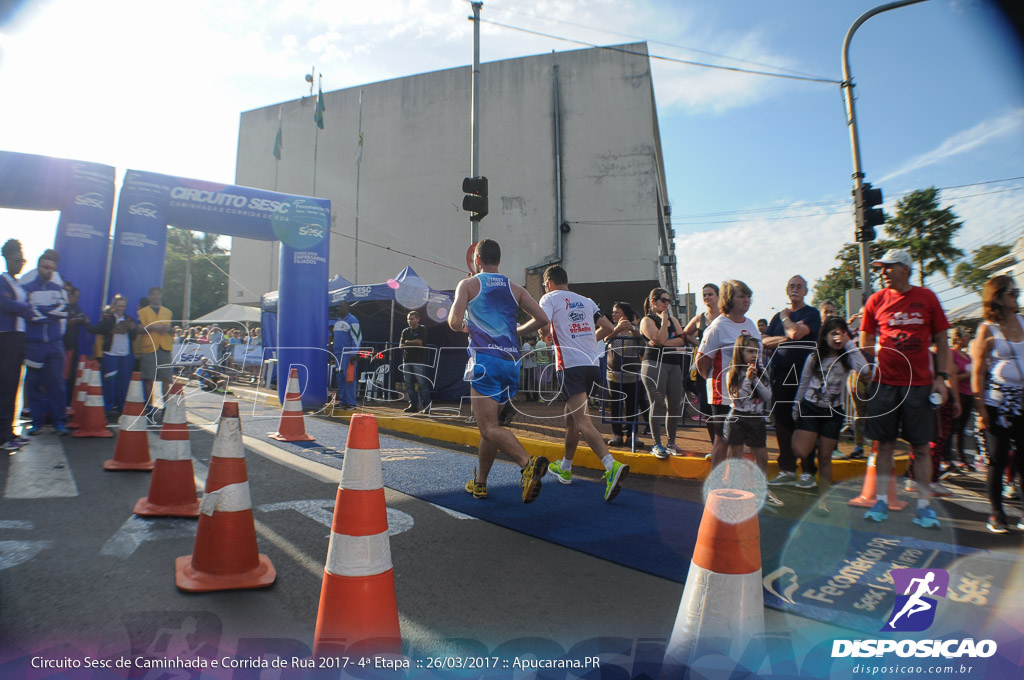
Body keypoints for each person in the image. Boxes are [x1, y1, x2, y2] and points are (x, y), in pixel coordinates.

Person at [448, 239, 549, 504]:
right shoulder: (514, 288)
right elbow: (542, 319)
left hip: (486, 362)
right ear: (499, 261)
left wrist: (467, 325)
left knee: (488, 427)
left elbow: (454, 322)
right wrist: (514, 331)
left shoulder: (468, 284)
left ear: (476, 260)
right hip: (511, 362)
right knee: (493, 425)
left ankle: (528, 464)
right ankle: (480, 482)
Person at [859, 249, 950, 529]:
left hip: (920, 385)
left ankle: (923, 507)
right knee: (884, 446)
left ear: (905, 268)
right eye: (882, 268)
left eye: (889, 267)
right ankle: (882, 502)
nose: (884, 272)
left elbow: (942, 341)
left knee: (922, 447)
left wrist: (942, 377)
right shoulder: (876, 300)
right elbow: (865, 340)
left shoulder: (927, 297)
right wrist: (869, 369)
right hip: (885, 384)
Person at [539, 265, 630, 502]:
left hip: (570, 365)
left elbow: (542, 325)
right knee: (571, 420)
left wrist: (543, 334)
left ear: (549, 283)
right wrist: (587, 339)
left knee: (582, 421)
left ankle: (611, 466)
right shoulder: (586, 301)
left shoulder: (549, 298)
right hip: (591, 365)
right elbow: (609, 328)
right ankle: (566, 467)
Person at [791, 317, 868, 515]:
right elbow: (804, 382)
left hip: (833, 411)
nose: (837, 336)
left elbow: (865, 370)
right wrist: (796, 407)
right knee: (801, 451)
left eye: (841, 332)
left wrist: (850, 342)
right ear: (824, 336)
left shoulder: (847, 357)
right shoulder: (814, 357)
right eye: (833, 332)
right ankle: (808, 451)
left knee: (825, 458)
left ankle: (823, 501)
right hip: (811, 407)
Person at [971, 275, 1024, 534]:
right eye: (1013, 293)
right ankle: (996, 514)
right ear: (999, 298)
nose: (1017, 296)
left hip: (1022, 400)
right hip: (997, 404)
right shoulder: (987, 329)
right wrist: (981, 410)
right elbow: (978, 372)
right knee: (998, 459)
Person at [764, 275, 822, 490]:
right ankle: (787, 470)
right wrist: (786, 337)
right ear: (786, 290)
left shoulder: (811, 314)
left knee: (805, 423)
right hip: (781, 375)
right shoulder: (776, 318)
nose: (795, 289)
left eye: (799, 286)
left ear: (806, 291)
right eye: (791, 286)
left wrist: (787, 320)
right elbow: (763, 341)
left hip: (805, 376)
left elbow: (797, 332)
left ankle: (808, 472)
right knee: (783, 423)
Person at [696, 280, 761, 469]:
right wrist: (717, 383)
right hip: (723, 394)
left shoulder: (751, 325)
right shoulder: (718, 326)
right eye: (741, 296)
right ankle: (716, 484)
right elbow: (702, 362)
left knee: (739, 440)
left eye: (748, 296)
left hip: (746, 393)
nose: (746, 300)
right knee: (722, 439)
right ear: (729, 299)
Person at [724, 335, 781, 507]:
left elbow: (768, 396)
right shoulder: (732, 373)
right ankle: (735, 489)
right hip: (738, 417)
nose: (754, 355)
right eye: (750, 351)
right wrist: (748, 379)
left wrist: (755, 378)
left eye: (757, 352)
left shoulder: (761, 372)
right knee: (736, 455)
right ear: (740, 352)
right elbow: (738, 399)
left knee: (762, 456)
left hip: (755, 418)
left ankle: (761, 488)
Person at [21, 250, 69, 435]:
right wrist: (49, 313)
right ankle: (37, 421)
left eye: (51, 268)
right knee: (33, 382)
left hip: (55, 344)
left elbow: (63, 311)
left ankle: (59, 421)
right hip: (34, 344)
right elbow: (29, 313)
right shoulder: (27, 286)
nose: (48, 270)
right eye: (45, 266)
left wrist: (43, 312)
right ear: (38, 265)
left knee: (56, 383)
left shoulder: (58, 287)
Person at [639, 287, 687, 458]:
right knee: (657, 403)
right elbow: (658, 339)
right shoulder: (647, 320)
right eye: (663, 300)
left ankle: (671, 442)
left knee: (674, 404)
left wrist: (664, 342)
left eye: (668, 301)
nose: (667, 304)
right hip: (654, 363)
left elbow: (683, 339)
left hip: (673, 364)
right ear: (654, 302)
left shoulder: (673, 319)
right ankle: (656, 443)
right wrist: (664, 322)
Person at [1, 240, 33, 451]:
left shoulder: (17, 283)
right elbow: (6, 304)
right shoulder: (2, 280)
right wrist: (24, 307)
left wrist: (23, 308)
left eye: (22, 260)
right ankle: (3, 436)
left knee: (14, 385)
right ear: (6, 259)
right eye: (16, 260)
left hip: (18, 337)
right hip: (6, 338)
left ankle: (9, 430)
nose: (20, 264)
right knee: (5, 386)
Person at [683, 283, 720, 444]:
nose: (707, 297)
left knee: (723, 408)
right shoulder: (700, 318)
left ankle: (725, 444)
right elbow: (686, 333)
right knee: (707, 408)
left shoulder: (724, 317)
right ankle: (715, 445)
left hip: (722, 367)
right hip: (703, 367)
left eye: (710, 294)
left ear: (718, 296)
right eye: (704, 295)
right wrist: (699, 344)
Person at [606, 302, 645, 448]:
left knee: (632, 407)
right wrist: (616, 330)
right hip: (614, 375)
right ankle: (617, 434)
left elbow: (643, 341)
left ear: (625, 314)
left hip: (633, 375)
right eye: (613, 312)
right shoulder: (610, 327)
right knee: (616, 406)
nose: (614, 314)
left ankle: (631, 435)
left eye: (617, 312)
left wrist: (632, 329)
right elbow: (605, 340)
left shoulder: (635, 329)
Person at [92, 294, 138, 413]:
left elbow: (134, 337)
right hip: (111, 354)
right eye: (118, 306)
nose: (121, 308)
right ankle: (108, 406)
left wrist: (133, 329)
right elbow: (98, 329)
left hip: (125, 354)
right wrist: (113, 328)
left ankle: (122, 405)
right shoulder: (108, 318)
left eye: (123, 306)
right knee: (110, 382)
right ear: (114, 306)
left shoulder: (129, 319)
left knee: (123, 383)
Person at [137, 287, 174, 423]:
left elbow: (171, 329)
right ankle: (150, 407)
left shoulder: (167, 312)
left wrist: (168, 330)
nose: (156, 297)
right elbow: (139, 329)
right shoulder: (142, 312)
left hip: (164, 346)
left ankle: (166, 407)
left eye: (158, 295)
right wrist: (153, 327)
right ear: (150, 296)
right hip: (149, 347)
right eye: (154, 295)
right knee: (149, 379)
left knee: (166, 379)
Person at [948, 326, 976, 471]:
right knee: (952, 428)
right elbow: (951, 377)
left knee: (962, 429)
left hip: (969, 394)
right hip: (957, 394)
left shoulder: (968, 356)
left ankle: (962, 459)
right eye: (966, 335)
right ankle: (947, 458)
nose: (968, 338)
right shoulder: (952, 354)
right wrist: (969, 375)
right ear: (958, 338)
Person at [399, 310, 432, 413]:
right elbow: (400, 346)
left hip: (418, 360)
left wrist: (408, 342)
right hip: (407, 360)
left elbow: (420, 342)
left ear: (418, 319)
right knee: (409, 384)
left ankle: (427, 406)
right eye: (408, 319)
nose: (409, 321)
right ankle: (413, 405)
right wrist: (413, 343)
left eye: (412, 319)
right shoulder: (405, 331)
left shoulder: (422, 329)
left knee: (422, 384)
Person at [333, 302, 362, 410]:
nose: (338, 309)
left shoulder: (352, 320)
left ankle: (351, 403)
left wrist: (354, 352)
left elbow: (357, 338)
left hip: (347, 355)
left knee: (349, 378)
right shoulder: (338, 321)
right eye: (337, 307)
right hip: (338, 354)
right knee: (340, 378)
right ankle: (343, 401)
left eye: (340, 307)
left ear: (347, 308)